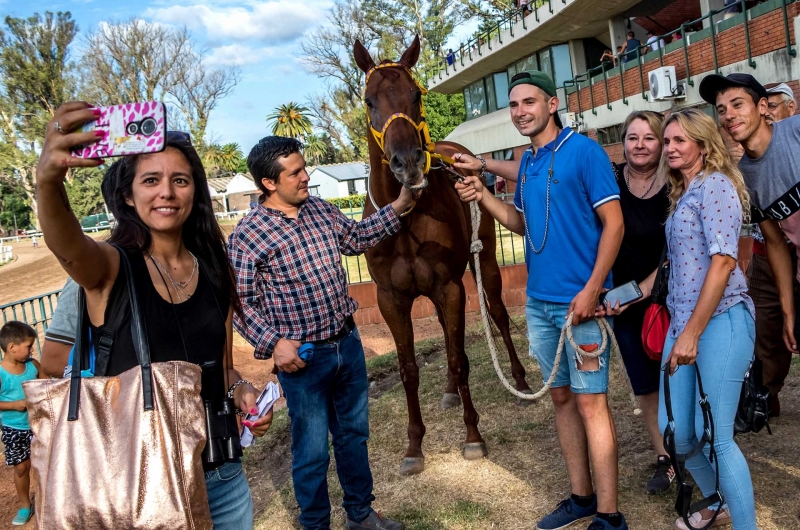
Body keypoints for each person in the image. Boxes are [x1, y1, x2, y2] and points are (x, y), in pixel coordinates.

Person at [35, 102, 273, 528]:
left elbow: (222, 368)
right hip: (143, 485)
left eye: (179, 180)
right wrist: (48, 182)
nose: (167, 191)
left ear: (194, 192)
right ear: (129, 195)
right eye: (151, 180)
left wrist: (240, 391)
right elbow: (68, 245)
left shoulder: (215, 269)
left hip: (223, 477)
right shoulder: (110, 267)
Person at [454, 70, 627, 530]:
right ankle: (581, 497)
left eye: (529, 102)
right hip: (540, 305)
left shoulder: (584, 152)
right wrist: (482, 195)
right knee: (563, 399)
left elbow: (615, 224)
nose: (520, 112)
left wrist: (593, 289)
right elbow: (522, 223)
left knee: (593, 403)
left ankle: (610, 516)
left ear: (552, 104)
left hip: (580, 305)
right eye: (513, 105)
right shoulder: (528, 162)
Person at [228, 136, 413, 530]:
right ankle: (316, 524)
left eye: (303, 167)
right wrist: (274, 344)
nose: (306, 176)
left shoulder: (319, 210)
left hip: (346, 343)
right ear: (269, 183)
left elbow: (356, 238)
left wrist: (398, 206)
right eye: (295, 172)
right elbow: (241, 304)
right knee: (311, 452)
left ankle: (360, 514)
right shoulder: (248, 235)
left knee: (353, 437)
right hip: (304, 361)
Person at [653, 108, 756, 530]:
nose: (670, 147)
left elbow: (723, 262)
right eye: (667, 141)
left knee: (721, 436)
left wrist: (691, 333)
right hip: (682, 324)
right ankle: (719, 499)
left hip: (721, 322)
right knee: (677, 432)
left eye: (680, 140)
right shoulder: (684, 191)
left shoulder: (715, 186)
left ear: (703, 143)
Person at [702, 73, 800, 418]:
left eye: (738, 104)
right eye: (721, 109)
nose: (729, 115)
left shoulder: (796, 132)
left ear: (762, 107)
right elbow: (774, 242)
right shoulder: (744, 177)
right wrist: (789, 312)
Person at [609, 111, 674, 495]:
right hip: (626, 304)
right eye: (632, 137)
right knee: (645, 386)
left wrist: (645, 287)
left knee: (679, 378)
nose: (639, 145)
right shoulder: (611, 181)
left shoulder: (677, 182)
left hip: (673, 298)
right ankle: (665, 456)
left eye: (649, 138)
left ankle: (695, 448)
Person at [0, 321, 40, 526]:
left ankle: (48, 500)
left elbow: (46, 383)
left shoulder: (33, 365)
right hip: (14, 428)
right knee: (21, 468)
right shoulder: (1, 373)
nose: (31, 350)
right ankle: (25, 505)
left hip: (39, 426)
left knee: (44, 464)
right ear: (12, 347)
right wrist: (14, 404)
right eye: (28, 346)